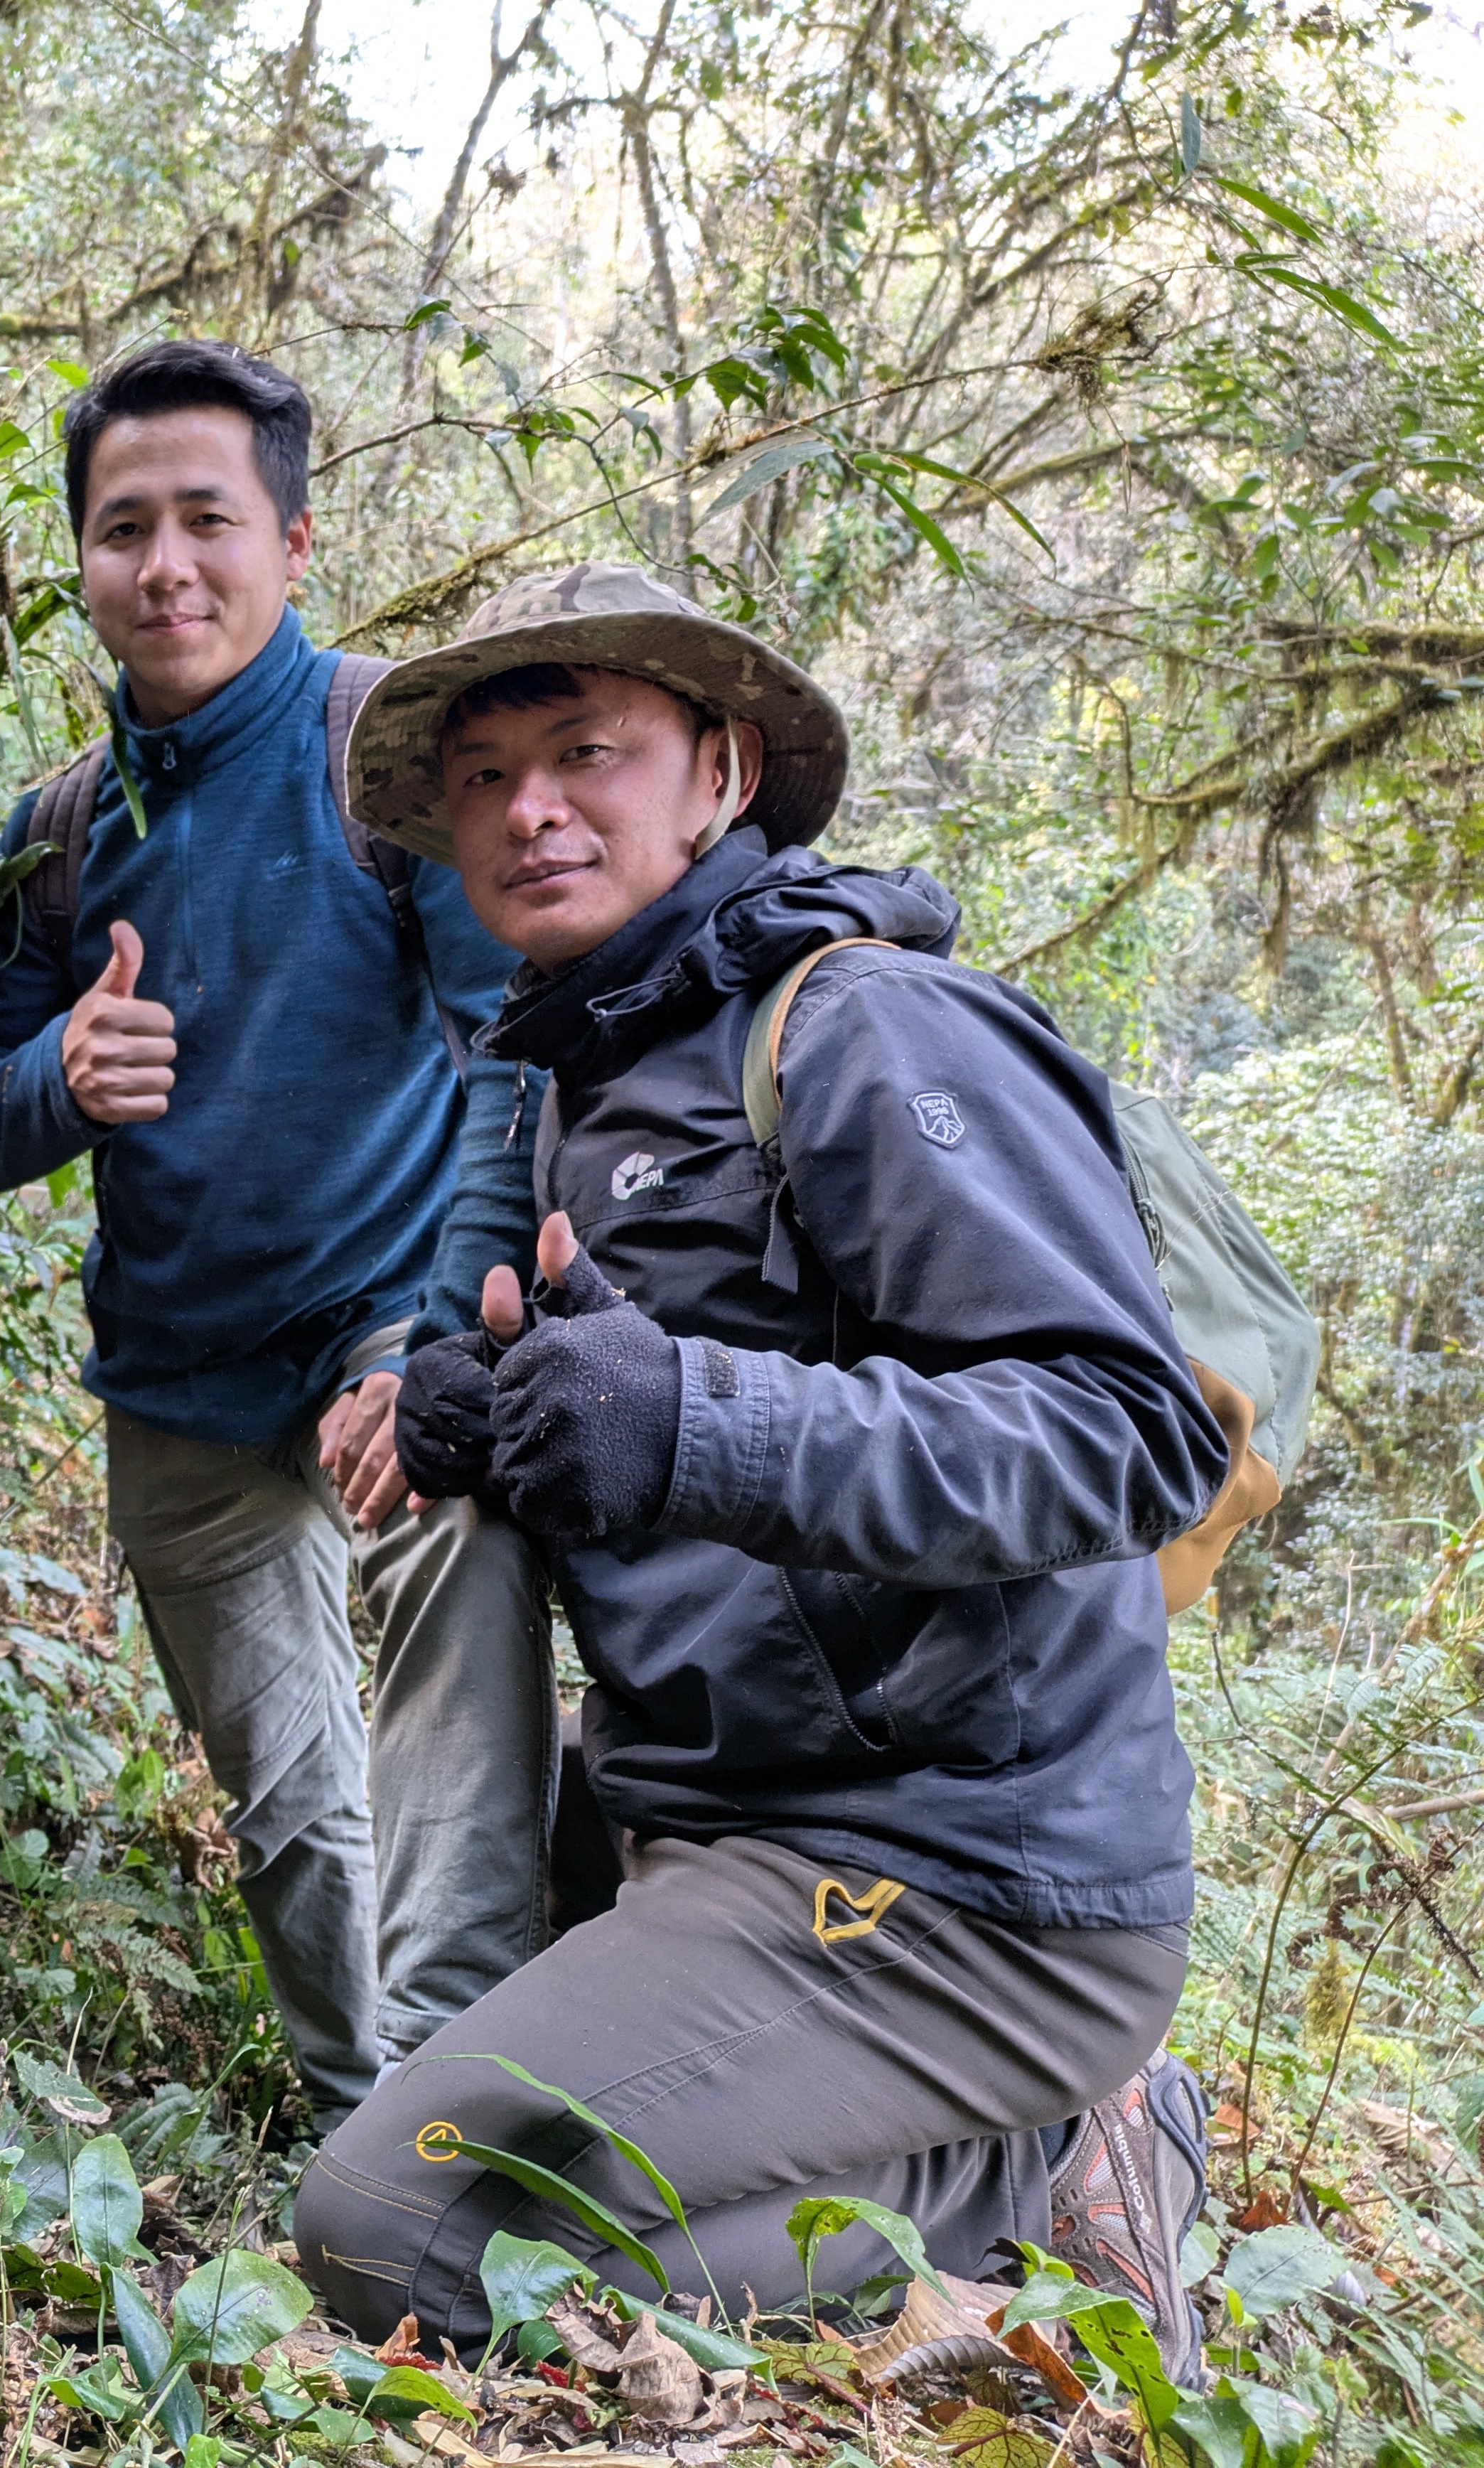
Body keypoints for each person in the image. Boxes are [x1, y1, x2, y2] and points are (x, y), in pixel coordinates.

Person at [289, 562, 1227, 2379]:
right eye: (480, 777)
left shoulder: (865, 1026)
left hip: (963, 1878)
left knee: (392, 2231)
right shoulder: (585, 1074)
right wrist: (500, 1413)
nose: (527, 808)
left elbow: (1130, 1430)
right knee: (467, 2220)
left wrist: (685, 1422)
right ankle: (959, 2162)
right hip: (723, 1829)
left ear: (714, 774)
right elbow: (671, 1439)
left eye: (585, 753)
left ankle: (1041, 2164)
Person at [0, 339, 553, 2137]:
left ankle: (501, 2128)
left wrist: (431, 1337)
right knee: (295, 1798)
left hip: (392, 1328)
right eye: (122, 526)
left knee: (456, 1776)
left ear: (291, 541)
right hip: (182, 1371)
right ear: (76, 560)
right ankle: (366, 2142)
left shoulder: (391, 767)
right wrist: (56, 1078)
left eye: (207, 520)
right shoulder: (54, 833)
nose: (166, 566)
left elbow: (512, 1057)